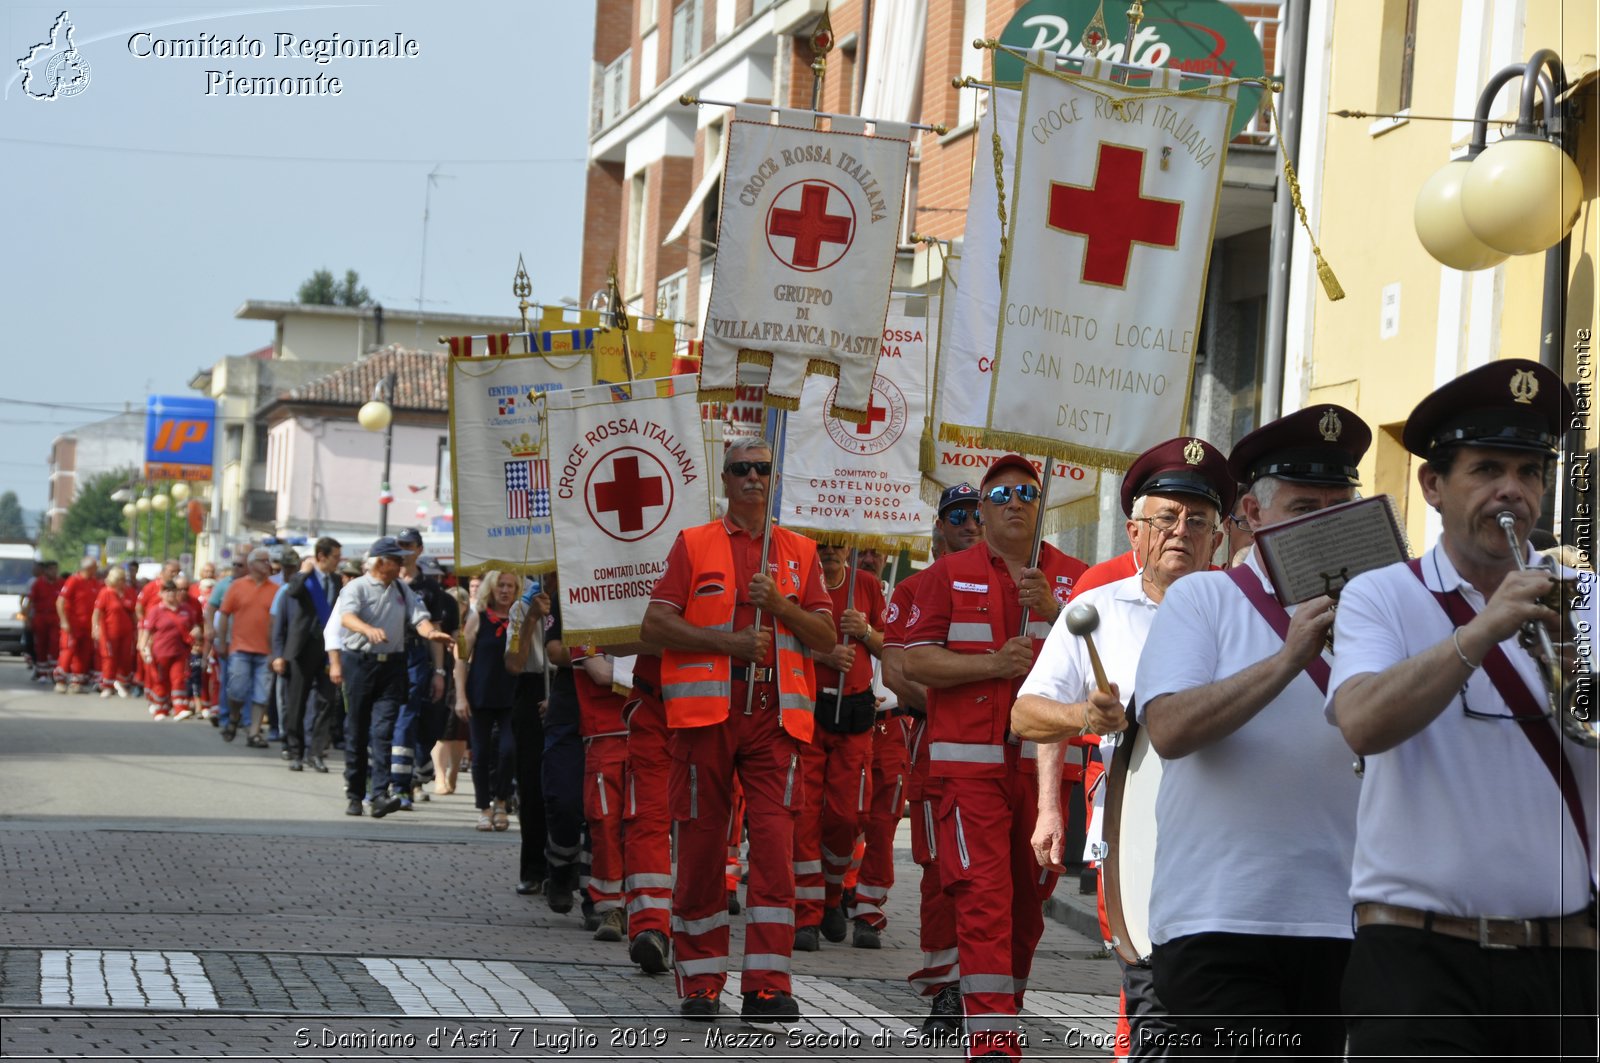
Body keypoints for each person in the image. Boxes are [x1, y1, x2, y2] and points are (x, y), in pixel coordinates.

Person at [1328, 359, 1597, 1058]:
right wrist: (1480, 631)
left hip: (1564, 959)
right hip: (1420, 961)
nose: (1513, 489)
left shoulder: (1588, 599)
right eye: (1487, 469)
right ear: (1433, 485)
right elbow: (1361, 719)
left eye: (1530, 471)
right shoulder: (1382, 595)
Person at [1134, 405, 1370, 1057]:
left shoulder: (1379, 612)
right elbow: (1170, 726)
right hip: (1218, 923)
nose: (1324, 522)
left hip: (1336, 922)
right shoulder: (1203, 600)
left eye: (1338, 504)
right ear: (1255, 515)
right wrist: (1288, 657)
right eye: (1303, 507)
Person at [1013, 438, 1233, 1059]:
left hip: (1228, 836)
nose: (1180, 532)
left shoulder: (1249, 612)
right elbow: (1026, 714)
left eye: (1198, 521)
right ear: (1134, 533)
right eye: (1165, 518)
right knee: (1151, 982)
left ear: (1218, 539)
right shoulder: (1096, 608)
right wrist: (1083, 714)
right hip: (1134, 834)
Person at [640, 434, 836, 1023]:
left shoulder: (801, 551)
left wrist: (779, 605)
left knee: (774, 853)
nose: (752, 477)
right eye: (740, 469)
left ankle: (768, 985)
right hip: (706, 722)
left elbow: (826, 640)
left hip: (777, 723)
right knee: (701, 851)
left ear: (774, 480)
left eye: (762, 469)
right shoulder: (694, 543)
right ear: (723, 480)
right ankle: (699, 983)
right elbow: (654, 624)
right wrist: (725, 643)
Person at [902, 454, 1090, 1061]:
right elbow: (914, 662)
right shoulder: (948, 574)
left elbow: (1108, 665)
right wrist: (991, 665)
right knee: (983, 899)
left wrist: (1060, 616)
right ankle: (992, 1044)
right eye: (1002, 494)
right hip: (970, 775)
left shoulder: (1075, 578)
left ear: (1042, 506)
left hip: (1042, 775)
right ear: (982, 512)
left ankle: (1003, 1012)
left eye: (1027, 493)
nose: (1016, 502)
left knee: (1027, 909)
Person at [881, 482, 982, 1034]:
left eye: (976, 514)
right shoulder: (915, 588)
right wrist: (969, 695)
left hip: (1004, 751)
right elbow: (897, 674)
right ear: (940, 526)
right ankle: (945, 988)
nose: (970, 523)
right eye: (958, 515)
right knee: (942, 874)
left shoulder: (1015, 583)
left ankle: (989, 988)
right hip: (937, 747)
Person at [793, 541, 885, 951]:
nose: (830, 552)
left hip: (854, 715)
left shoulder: (864, 585)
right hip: (809, 711)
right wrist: (824, 654)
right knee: (806, 815)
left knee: (847, 816)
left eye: (837, 546)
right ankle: (806, 916)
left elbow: (891, 645)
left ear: (849, 548)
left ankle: (833, 897)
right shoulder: (800, 581)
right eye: (823, 545)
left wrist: (864, 630)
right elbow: (784, 641)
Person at [325, 537, 455, 818]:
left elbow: (419, 617)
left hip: (392, 666)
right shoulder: (356, 587)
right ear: (380, 562)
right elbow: (346, 618)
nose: (401, 564)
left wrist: (431, 633)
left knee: (383, 730)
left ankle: (380, 794)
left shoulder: (402, 589)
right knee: (357, 730)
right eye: (396, 560)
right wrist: (366, 629)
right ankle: (355, 793)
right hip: (360, 663)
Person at [455, 570, 523, 832]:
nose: (505, 591)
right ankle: (484, 807)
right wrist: (460, 695)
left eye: (510, 586)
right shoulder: (478, 618)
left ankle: (502, 801)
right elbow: (461, 658)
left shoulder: (521, 619)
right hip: (481, 694)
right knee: (481, 753)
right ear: (491, 589)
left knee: (508, 750)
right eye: (501, 586)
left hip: (512, 696)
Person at [272, 537, 342, 772]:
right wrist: (303, 572)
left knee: (325, 702)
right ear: (321, 556)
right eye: (335, 557)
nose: (338, 561)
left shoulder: (335, 580)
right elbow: (292, 593)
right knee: (297, 703)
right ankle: (295, 751)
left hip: (327, 650)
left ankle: (316, 752)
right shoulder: (304, 579)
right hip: (301, 650)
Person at [216, 548, 279, 747]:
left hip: (265, 651)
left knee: (262, 694)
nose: (268, 565)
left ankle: (253, 733)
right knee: (237, 690)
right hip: (240, 648)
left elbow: (277, 622)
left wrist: (275, 651)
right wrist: (221, 641)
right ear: (252, 565)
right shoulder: (237, 586)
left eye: (269, 561)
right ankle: (234, 717)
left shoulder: (275, 589)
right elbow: (224, 613)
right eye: (263, 561)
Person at [139, 580, 199, 721]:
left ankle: (179, 709)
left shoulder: (186, 610)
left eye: (173, 590)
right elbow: (146, 632)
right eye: (167, 591)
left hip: (180, 652)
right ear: (161, 594)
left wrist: (196, 632)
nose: (170, 593)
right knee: (160, 681)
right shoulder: (155, 611)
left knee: (178, 679)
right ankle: (160, 708)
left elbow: (195, 626)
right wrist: (143, 649)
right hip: (160, 652)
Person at [55, 557, 102, 694]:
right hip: (72, 625)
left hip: (87, 626)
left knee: (83, 654)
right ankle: (60, 681)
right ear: (89, 568)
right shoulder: (74, 580)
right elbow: (60, 602)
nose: (97, 569)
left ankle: (77, 682)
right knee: (68, 651)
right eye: (95, 567)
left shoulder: (94, 582)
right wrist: (64, 621)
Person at [92, 565, 139, 699]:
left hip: (127, 631)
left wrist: (138, 629)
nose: (123, 582)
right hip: (109, 631)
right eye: (120, 580)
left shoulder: (129, 592)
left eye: (124, 579)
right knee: (109, 658)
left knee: (125, 658)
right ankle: (106, 686)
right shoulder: (105, 592)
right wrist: (95, 628)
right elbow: (97, 613)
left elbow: (134, 612)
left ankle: (121, 683)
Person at [25, 559, 63, 684]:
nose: (54, 572)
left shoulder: (61, 583)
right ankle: (42, 673)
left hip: (55, 618)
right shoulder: (38, 584)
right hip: (40, 618)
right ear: (45, 571)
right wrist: (28, 619)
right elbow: (30, 602)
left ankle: (53, 672)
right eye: (51, 569)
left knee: (55, 645)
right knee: (41, 645)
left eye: (55, 569)